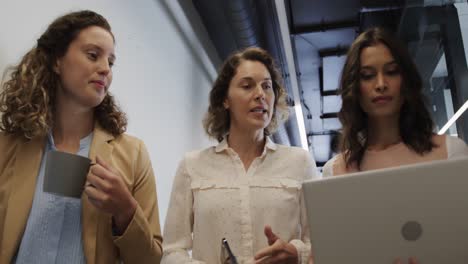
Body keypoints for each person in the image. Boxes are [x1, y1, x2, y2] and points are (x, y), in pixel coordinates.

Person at [0, 10, 162, 263]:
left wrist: (125, 210)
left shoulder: (133, 154)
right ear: (57, 61)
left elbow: (149, 260)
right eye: (93, 55)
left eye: (111, 61)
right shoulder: (7, 147)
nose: (105, 69)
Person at [322, 27, 468, 263]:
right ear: (355, 88)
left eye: (391, 72)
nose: (381, 84)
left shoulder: (452, 153)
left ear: (406, 80)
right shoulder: (336, 171)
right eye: (367, 75)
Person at [161, 47, 318, 264]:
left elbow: (323, 245)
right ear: (225, 99)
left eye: (267, 87)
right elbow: (171, 253)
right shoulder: (192, 166)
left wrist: (296, 254)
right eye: (247, 86)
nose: (260, 95)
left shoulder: (300, 163)